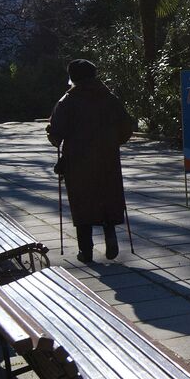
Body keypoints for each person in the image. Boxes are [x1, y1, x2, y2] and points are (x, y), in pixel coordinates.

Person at [46, 59, 135, 263]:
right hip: (107, 158)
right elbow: (126, 127)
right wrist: (113, 143)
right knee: (107, 196)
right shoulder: (110, 98)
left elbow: (56, 136)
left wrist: (51, 132)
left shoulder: (67, 101)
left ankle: (85, 250)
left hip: (77, 161)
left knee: (82, 202)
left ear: (73, 77)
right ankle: (110, 236)